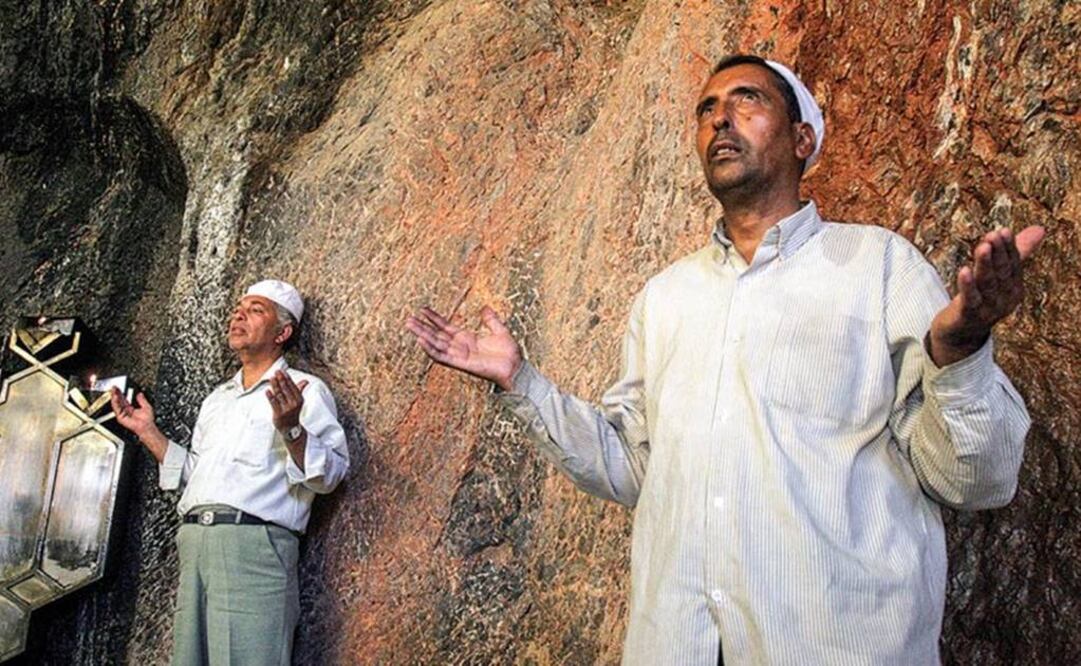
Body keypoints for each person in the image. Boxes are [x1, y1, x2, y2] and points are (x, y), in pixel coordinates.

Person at [405, 55, 1045, 664]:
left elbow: (975, 480)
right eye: (706, 107)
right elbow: (638, 469)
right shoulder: (665, 299)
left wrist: (959, 350)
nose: (719, 118)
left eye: (747, 100)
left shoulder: (877, 266)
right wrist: (523, 383)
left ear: (801, 140)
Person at [111, 279, 349, 666]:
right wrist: (148, 432)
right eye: (239, 307)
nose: (238, 314)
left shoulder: (306, 390)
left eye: (256, 310)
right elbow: (197, 477)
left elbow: (332, 474)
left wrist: (291, 427)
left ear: (282, 332)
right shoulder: (216, 400)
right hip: (195, 545)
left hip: (253, 547)